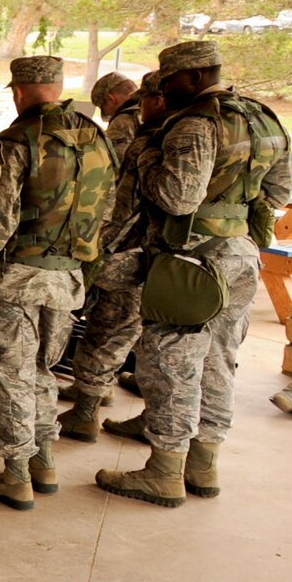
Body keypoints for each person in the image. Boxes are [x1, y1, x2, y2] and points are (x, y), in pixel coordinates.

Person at [97, 41, 292, 507]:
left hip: (189, 261)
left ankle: (164, 471)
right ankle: (203, 466)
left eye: (169, 81)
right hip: (241, 255)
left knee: (171, 364)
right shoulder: (263, 117)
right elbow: (279, 192)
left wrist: (145, 155)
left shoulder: (195, 124)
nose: (163, 89)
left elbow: (177, 198)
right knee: (219, 360)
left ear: (194, 77)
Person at [0, 56, 116, 513]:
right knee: (41, 371)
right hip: (67, 278)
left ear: (18, 92)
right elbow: (107, 209)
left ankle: (15, 475)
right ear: (58, 86)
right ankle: (44, 461)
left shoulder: (17, 141)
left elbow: (1, 217)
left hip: (15, 279)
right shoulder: (96, 138)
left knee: (4, 374)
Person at [61, 71, 168, 441]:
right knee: (131, 326)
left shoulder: (128, 123)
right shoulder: (187, 125)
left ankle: (86, 409)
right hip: (169, 249)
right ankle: (92, 391)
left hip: (129, 243)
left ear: (109, 100)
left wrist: (100, 245)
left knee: (110, 323)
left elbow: (114, 189)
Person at [91, 72, 141, 157]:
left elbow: (115, 162)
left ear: (110, 99)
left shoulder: (121, 122)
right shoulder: (154, 107)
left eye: (103, 107)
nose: (107, 113)